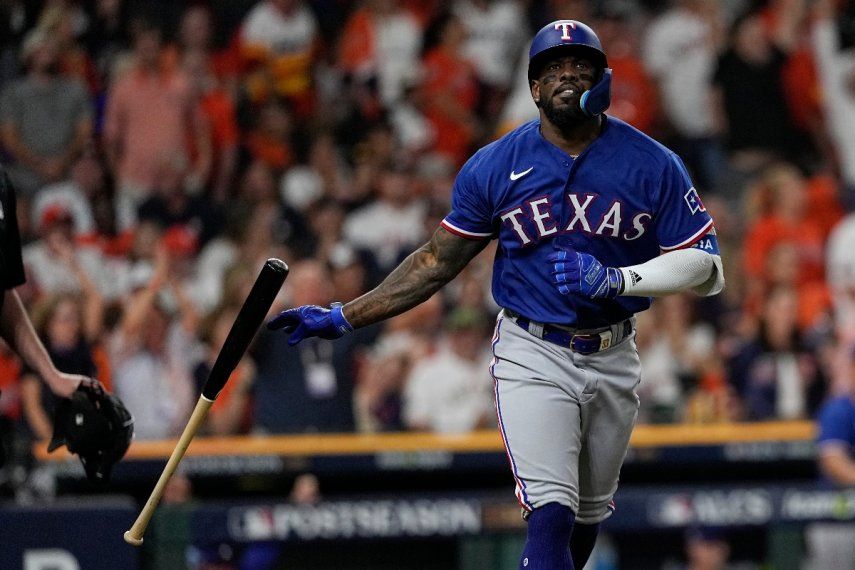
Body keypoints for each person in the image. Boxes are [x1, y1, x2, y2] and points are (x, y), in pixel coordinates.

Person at [267, 20, 724, 569]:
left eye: (581, 66)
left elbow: (707, 268)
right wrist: (345, 316)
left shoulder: (652, 162)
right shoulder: (495, 165)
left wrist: (618, 280)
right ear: (533, 88)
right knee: (551, 511)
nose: (568, 75)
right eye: (553, 68)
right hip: (533, 350)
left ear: (603, 81)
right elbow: (435, 262)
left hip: (614, 352)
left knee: (585, 521)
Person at [0, 166, 108, 471]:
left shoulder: (81, 348)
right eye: (64, 319)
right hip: (46, 444)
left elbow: (5, 294)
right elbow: (33, 405)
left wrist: (50, 372)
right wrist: (59, 452)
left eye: (73, 319)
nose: (71, 325)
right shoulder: (40, 349)